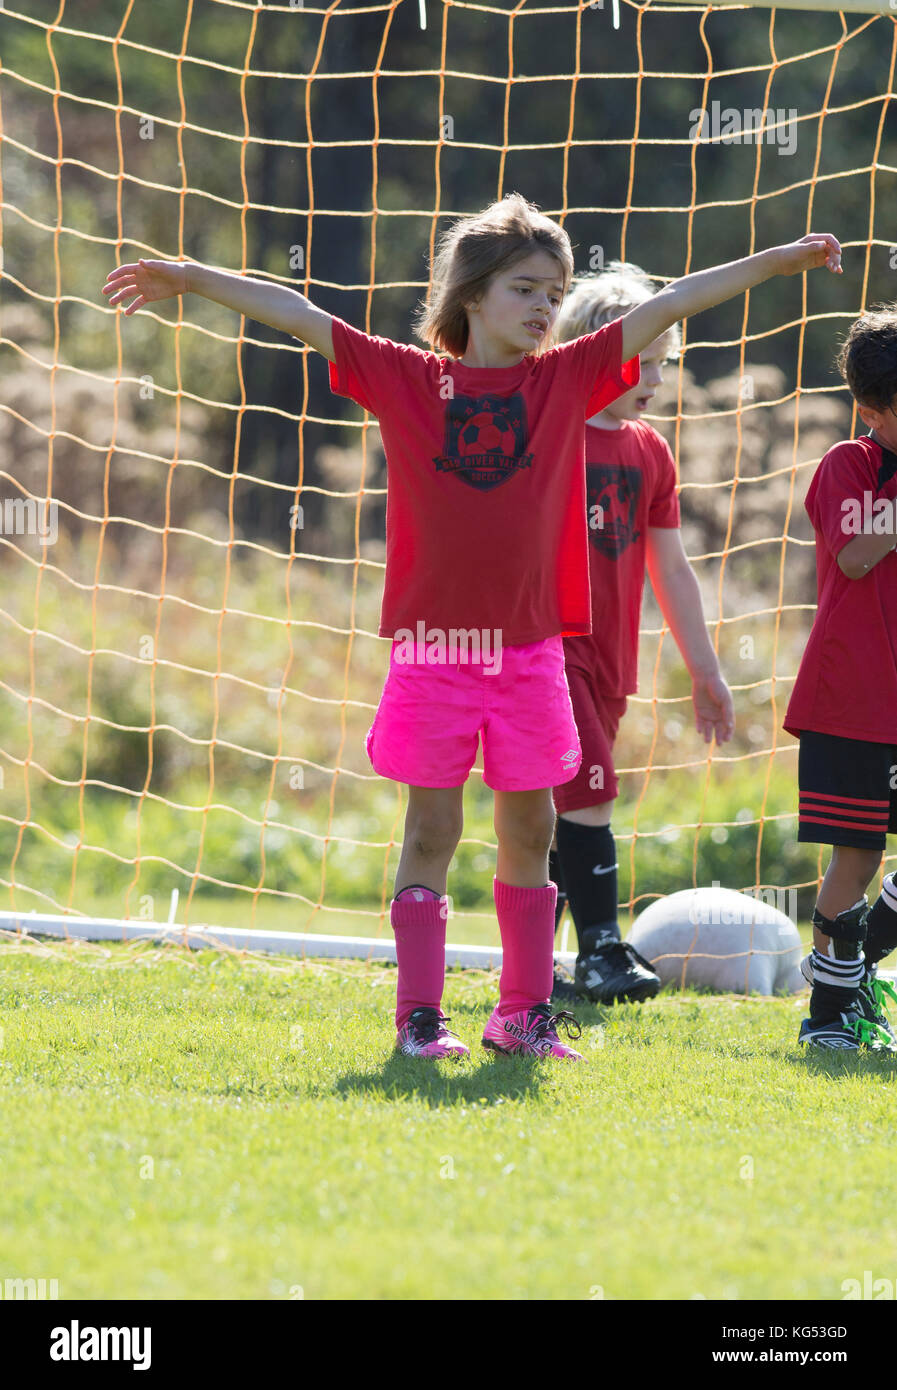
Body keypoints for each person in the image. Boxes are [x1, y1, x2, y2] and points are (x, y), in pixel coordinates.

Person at [103, 194, 842, 1061]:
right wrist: (190, 277)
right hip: (434, 656)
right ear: (472, 296)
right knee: (431, 834)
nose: (542, 306)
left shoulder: (566, 378)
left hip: (532, 656)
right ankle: (420, 1018)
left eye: (554, 291)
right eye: (525, 288)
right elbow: (299, 312)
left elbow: (668, 305)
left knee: (531, 834)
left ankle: (521, 1014)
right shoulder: (407, 378)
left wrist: (779, 260)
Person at [546, 262, 734, 1006]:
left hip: (610, 660)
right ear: (596, 351)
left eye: (663, 362)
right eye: (642, 362)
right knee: (589, 791)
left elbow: (671, 568)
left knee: (558, 810)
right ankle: (598, 954)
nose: (655, 378)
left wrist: (705, 669)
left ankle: (528, 963)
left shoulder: (648, 451)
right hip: (545, 647)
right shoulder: (549, 430)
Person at [783, 304, 897, 1050]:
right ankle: (829, 1016)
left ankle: (850, 967)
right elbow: (856, 555)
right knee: (855, 857)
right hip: (850, 698)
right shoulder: (845, 467)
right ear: (869, 408)